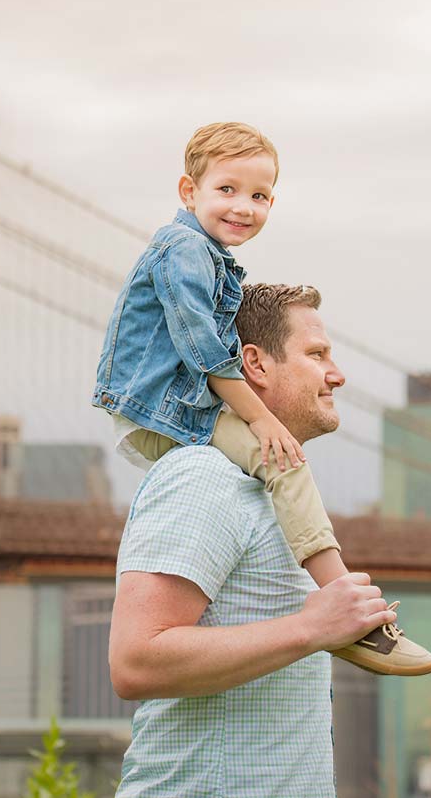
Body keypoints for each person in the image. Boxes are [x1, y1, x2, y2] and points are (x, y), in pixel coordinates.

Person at [92, 122, 431, 675]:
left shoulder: (206, 256)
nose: (243, 206)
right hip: (169, 411)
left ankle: (345, 606)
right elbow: (204, 350)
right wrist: (260, 418)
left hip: (177, 406)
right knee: (285, 462)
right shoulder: (183, 252)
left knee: (279, 466)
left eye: (259, 195)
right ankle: (353, 609)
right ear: (188, 192)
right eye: (226, 189)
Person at [109, 284, 395, 796]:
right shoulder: (203, 476)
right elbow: (135, 660)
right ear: (255, 365)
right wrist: (311, 628)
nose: (338, 373)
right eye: (317, 354)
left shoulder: (269, 490)